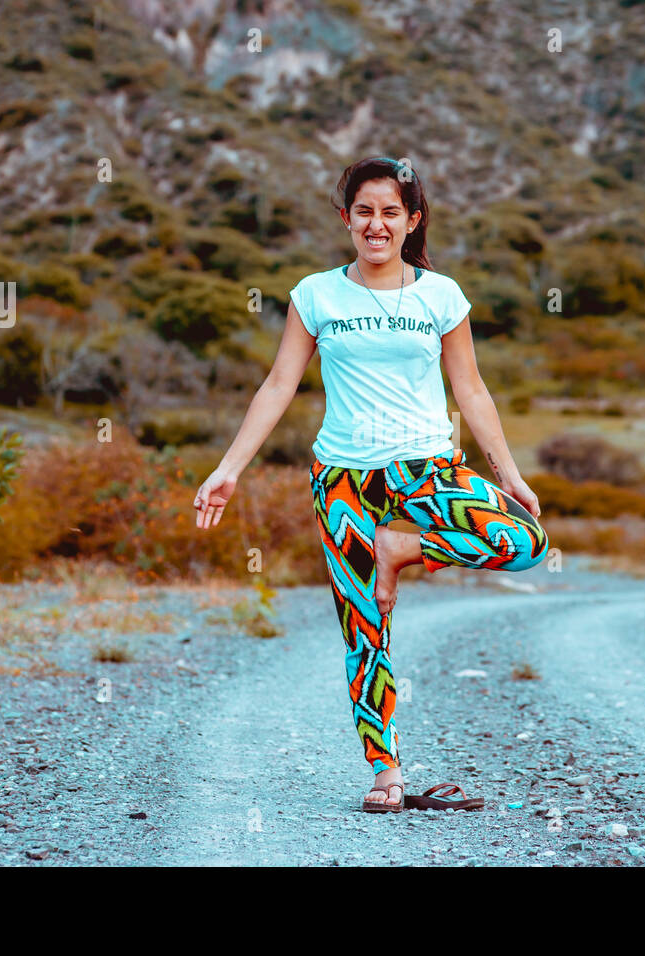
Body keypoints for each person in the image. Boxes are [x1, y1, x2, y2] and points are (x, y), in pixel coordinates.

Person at [194, 156, 549, 813]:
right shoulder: (317, 295)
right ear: (346, 219)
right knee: (364, 626)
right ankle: (386, 771)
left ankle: (398, 550)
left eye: (391, 212)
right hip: (343, 480)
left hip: (428, 469)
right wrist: (229, 468)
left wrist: (511, 475)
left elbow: (470, 389)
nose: (376, 225)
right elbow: (278, 385)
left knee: (525, 540)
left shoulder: (440, 297)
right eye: (364, 212)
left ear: (412, 221)